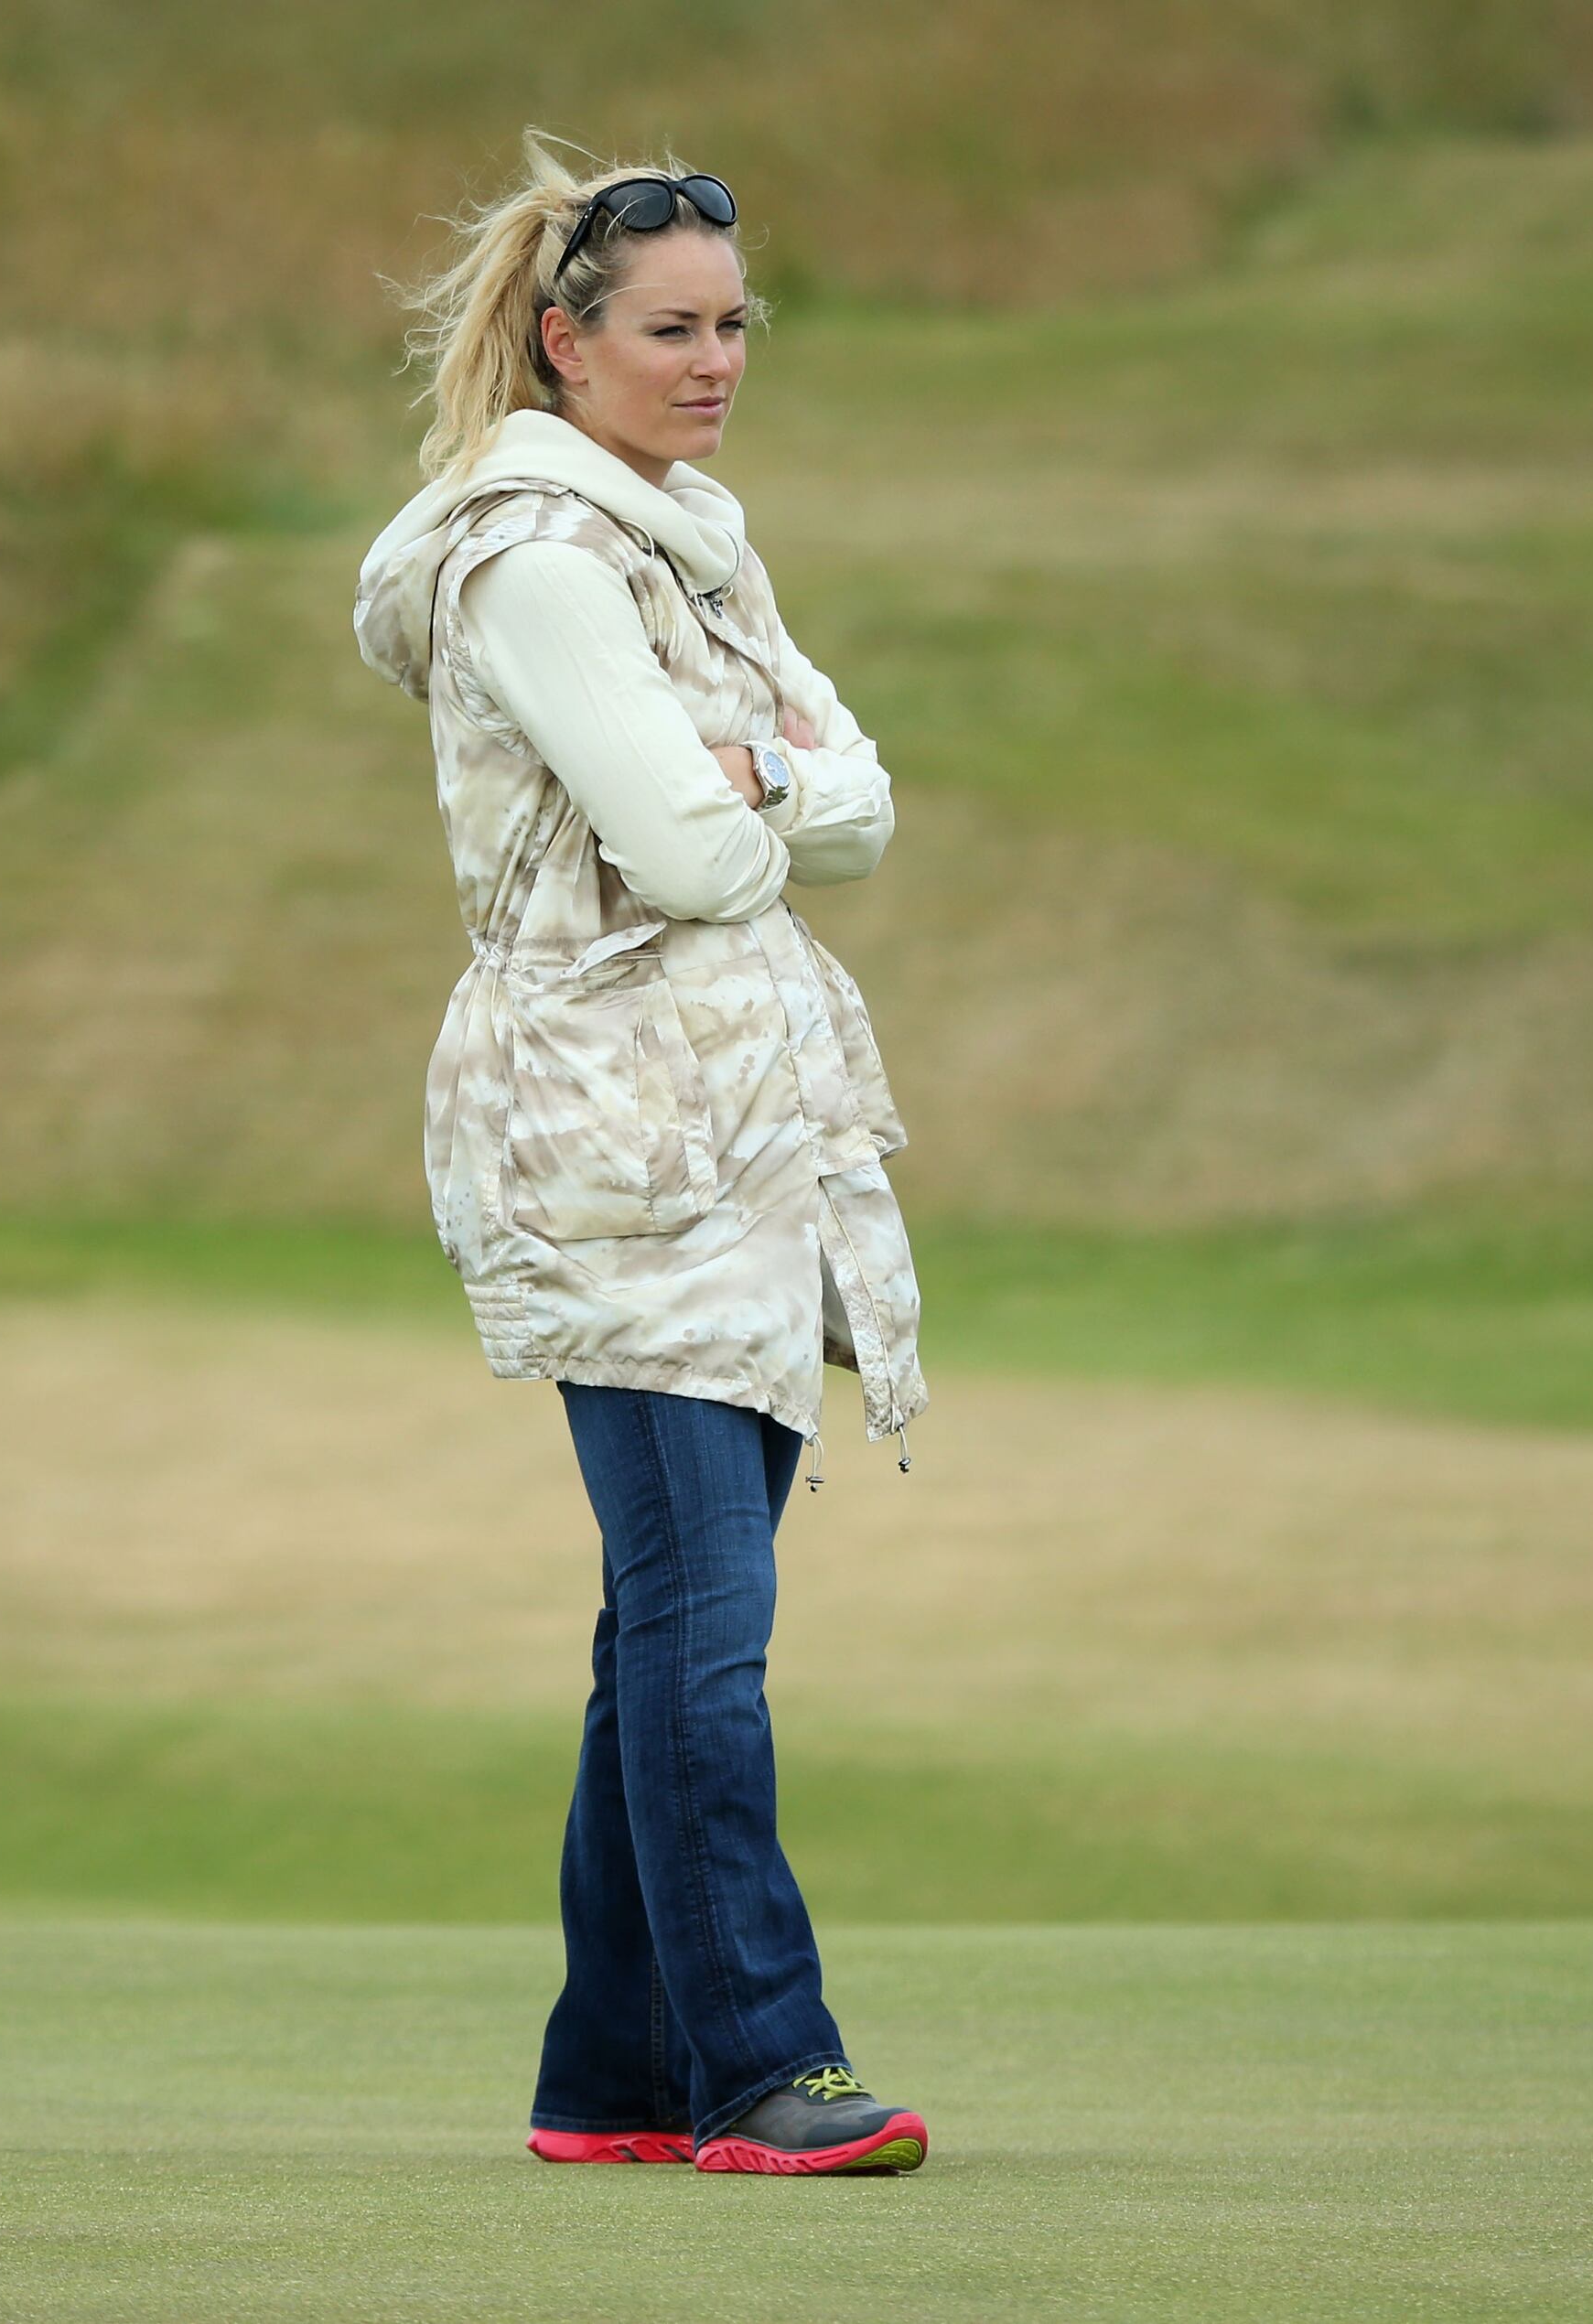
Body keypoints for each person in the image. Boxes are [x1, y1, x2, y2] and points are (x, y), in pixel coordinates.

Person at [352, 134, 933, 2179]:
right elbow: (697, 852)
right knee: (700, 1623)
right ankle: (763, 2064)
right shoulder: (531, 558)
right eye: (673, 329)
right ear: (564, 341)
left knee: (670, 1615)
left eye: (734, 325)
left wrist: (748, 780)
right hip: (606, 1134)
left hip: (736, 1123)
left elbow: (858, 809)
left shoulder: (692, 542)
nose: (714, 363)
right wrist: (765, 781)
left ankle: (610, 2073)